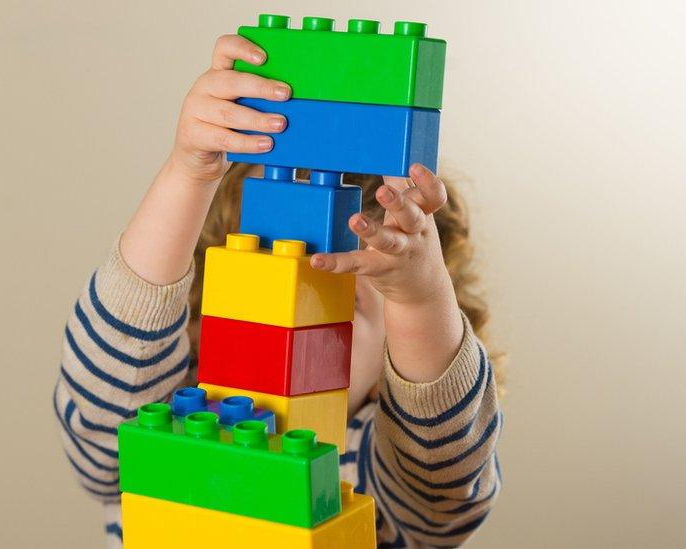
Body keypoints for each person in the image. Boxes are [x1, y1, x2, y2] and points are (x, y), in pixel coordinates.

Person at [53, 34, 503, 548]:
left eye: (337, 303)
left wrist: (420, 301)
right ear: (202, 315)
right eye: (252, 286)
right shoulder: (167, 422)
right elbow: (101, 410)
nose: (286, 317)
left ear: (390, 362)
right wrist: (188, 173)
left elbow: (442, 492)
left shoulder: (368, 464)